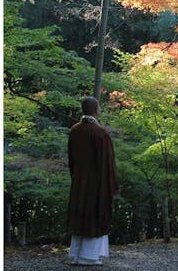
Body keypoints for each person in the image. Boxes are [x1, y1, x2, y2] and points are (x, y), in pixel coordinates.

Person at [66, 96, 118, 266]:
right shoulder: (100, 133)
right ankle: (88, 256)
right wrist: (111, 185)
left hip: (79, 181)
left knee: (80, 215)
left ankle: (75, 254)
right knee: (94, 215)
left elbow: (71, 160)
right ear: (96, 109)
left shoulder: (74, 130)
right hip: (96, 185)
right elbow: (107, 164)